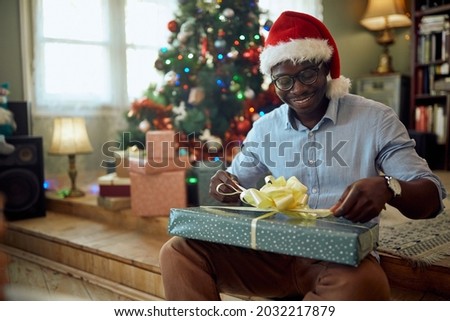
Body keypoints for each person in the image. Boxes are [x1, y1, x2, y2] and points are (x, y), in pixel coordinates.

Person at [159, 11, 447, 300]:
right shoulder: (265, 128)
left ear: (326, 68)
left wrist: (390, 187)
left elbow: (432, 198)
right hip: (270, 255)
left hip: (341, 262)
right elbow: (234, 184)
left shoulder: (375, 119)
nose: (297, 89)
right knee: (178, 251)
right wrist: (225, 186)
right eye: (284, 80)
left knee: (364, 286)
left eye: (307, 74)